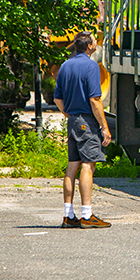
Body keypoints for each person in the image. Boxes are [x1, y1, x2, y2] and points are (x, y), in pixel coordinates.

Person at [53, 31, 112, 229]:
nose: (96, 43)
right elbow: (95, 99)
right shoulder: (91, 66)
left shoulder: (65, 66)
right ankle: (87, 215)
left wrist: (70, 115)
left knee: (72, 166)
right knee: (88, 165)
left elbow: (57, 98)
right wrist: (104, 127)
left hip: (72, 121)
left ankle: (68, 215)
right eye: (95, 41)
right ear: (89, 46)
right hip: (87, 120)